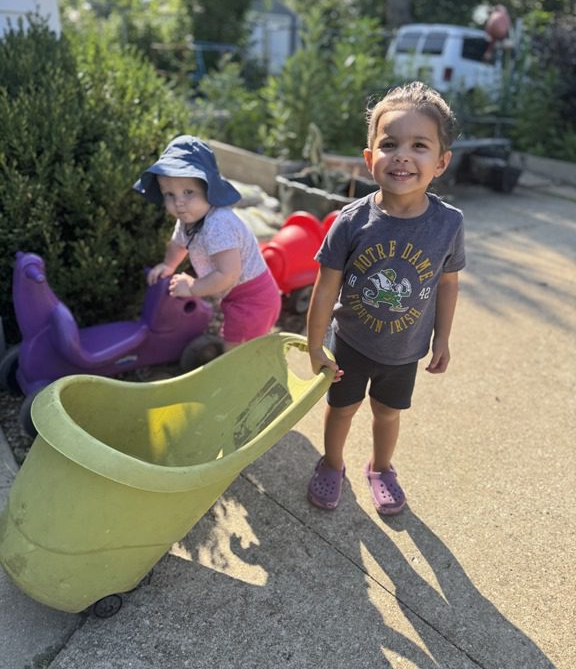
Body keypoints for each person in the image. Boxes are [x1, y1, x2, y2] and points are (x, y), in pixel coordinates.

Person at [306, 81, 465, 515]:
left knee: (388, 413)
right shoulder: (351, 221)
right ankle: (331, 463)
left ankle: (381, 468)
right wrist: (315, 345)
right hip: (350, 345)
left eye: (419, 146)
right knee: (342, 409)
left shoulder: (448, 224)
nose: (402, 156)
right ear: (369, 157)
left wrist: (442, 338)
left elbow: (448, 282)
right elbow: (326, 286)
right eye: (390, 144)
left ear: (441, 162)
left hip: (405, 350)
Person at [134, 135, 281, 351]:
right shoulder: (189, 219)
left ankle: (241, 372)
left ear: (209, 189)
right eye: (169, 194)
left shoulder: (218, 224)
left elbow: (227, 274)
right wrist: (169, 265)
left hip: (252, 300)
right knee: (241, 344)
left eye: (188, 192)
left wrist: (192, 288)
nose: (179, 202)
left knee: (237, 351)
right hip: (236, 295)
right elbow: (178, 244)